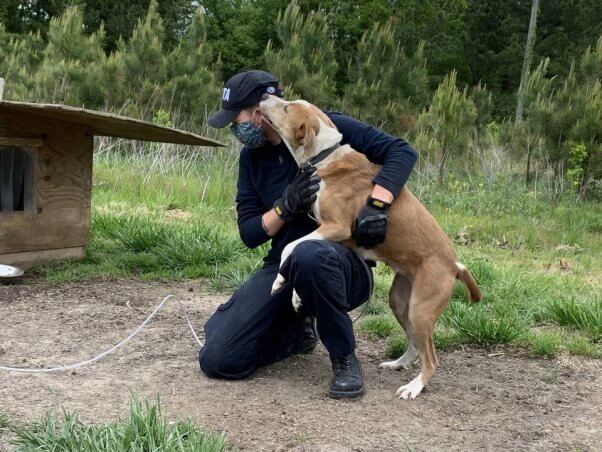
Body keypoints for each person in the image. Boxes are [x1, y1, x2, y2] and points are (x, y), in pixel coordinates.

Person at [199, 70, 417, 399]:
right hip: (283, 269)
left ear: (260, 112)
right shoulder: (252, 159)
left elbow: (402, 152)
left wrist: (377, 205)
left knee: (309, 254)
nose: (234, 128)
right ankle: (296, 333)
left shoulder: (324, 126)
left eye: (236, 118)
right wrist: (285, 208)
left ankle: (344, 357)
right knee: (219, 359)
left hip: (343, 264)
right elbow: (249, 233)